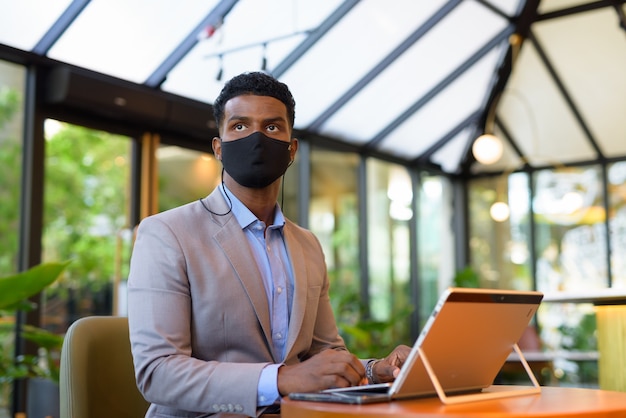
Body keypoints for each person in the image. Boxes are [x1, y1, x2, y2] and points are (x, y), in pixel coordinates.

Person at [127, 71, 411, 417]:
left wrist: (373, 370)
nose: (256, 137)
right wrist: (281, 380)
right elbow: (158, 373)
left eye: (272, 127)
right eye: (240, 126)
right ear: (219, 148)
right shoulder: (166, 233)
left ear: (291, 150)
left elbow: (324, 356)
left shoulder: (307, 244)